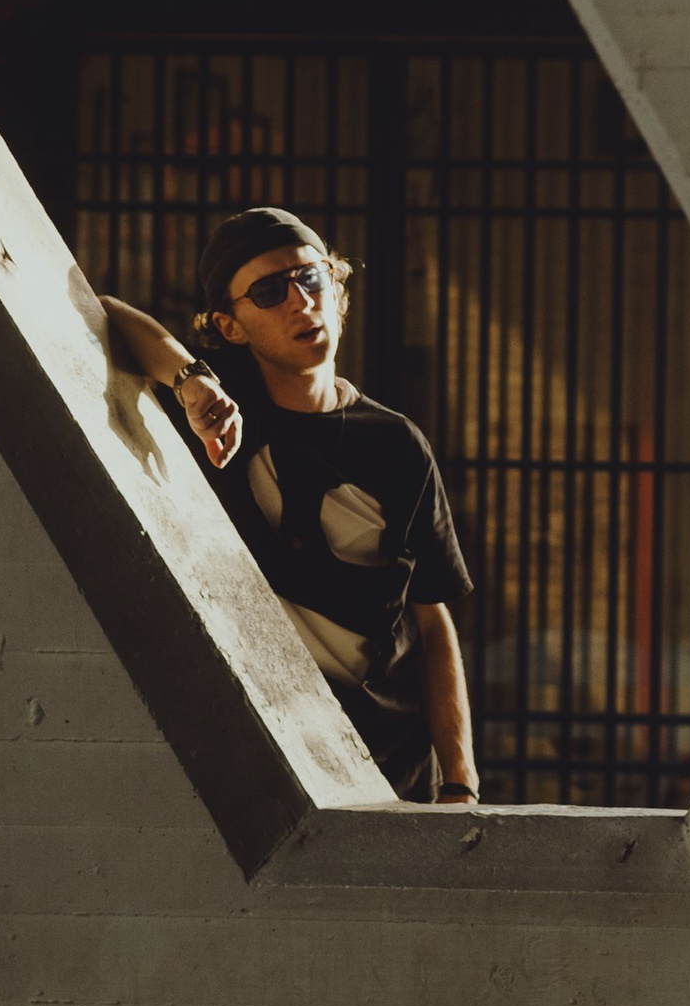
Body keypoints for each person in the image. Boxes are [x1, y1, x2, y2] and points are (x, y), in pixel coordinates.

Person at [103, 208, 480, 806]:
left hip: (388, 762)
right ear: (231, 327)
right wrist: (190, 382)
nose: (301, 301)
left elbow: (432, 623)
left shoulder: (396, 445)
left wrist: (459, 781)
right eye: (269, 292)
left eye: (312, 278)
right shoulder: (219, 401)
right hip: (260, 748)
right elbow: (108, 312)